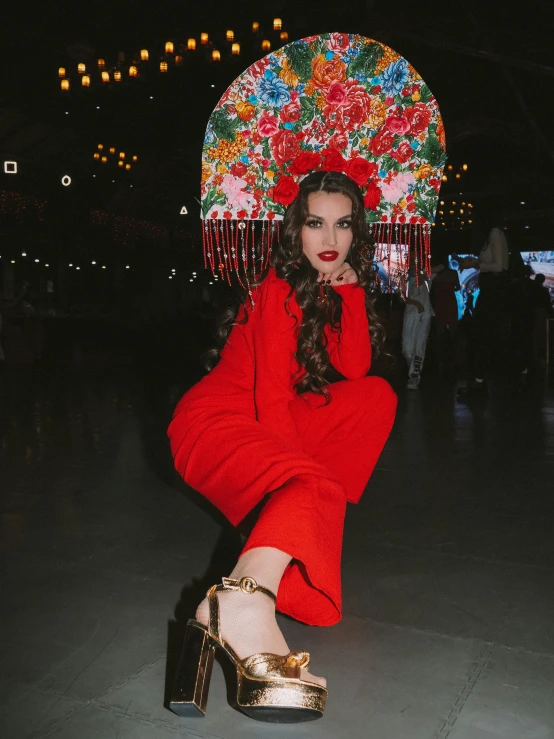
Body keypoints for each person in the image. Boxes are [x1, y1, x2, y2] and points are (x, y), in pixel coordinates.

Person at [168, 172, 397, 721]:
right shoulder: (275, 289)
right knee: (314, 482)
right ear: (295, 229)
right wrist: (300, 483)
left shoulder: (321, 290)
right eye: (315, 222)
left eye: (344, 224)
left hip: (265, 418)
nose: (330, 237)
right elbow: (271, 402)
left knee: (376, 398)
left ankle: (278, 546)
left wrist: (349, 289)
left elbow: (356, 368)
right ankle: (241, 603)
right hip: (214, 423)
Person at [456, 223, 510, 394]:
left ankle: (481, 382)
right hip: (492, 292)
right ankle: (483, 381)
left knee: (482, 338)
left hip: (494, 293)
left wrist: (477, 264)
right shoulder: (493, 233)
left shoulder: (494, 231)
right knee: (485, 338)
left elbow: (499, 266)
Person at [402, 257, 434, 389]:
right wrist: (415, 303)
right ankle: (413, 370)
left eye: (417, 257)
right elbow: (401, 298)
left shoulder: (427, 274)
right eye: (411, 258)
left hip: (425, 315)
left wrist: (423, 276)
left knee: (419, 346)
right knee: (407, 349)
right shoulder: (403, 276)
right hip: (410, 315)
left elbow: (442, 267)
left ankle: (414, 377)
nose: (414, 261)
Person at [430, 250, 460, 377]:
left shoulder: (435, 275)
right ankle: (452, 362)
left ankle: (440, 362)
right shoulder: (453, 273)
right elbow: (457, 287)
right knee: (452, 333)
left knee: (440, 333)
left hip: (440, 304)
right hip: (450, 303)